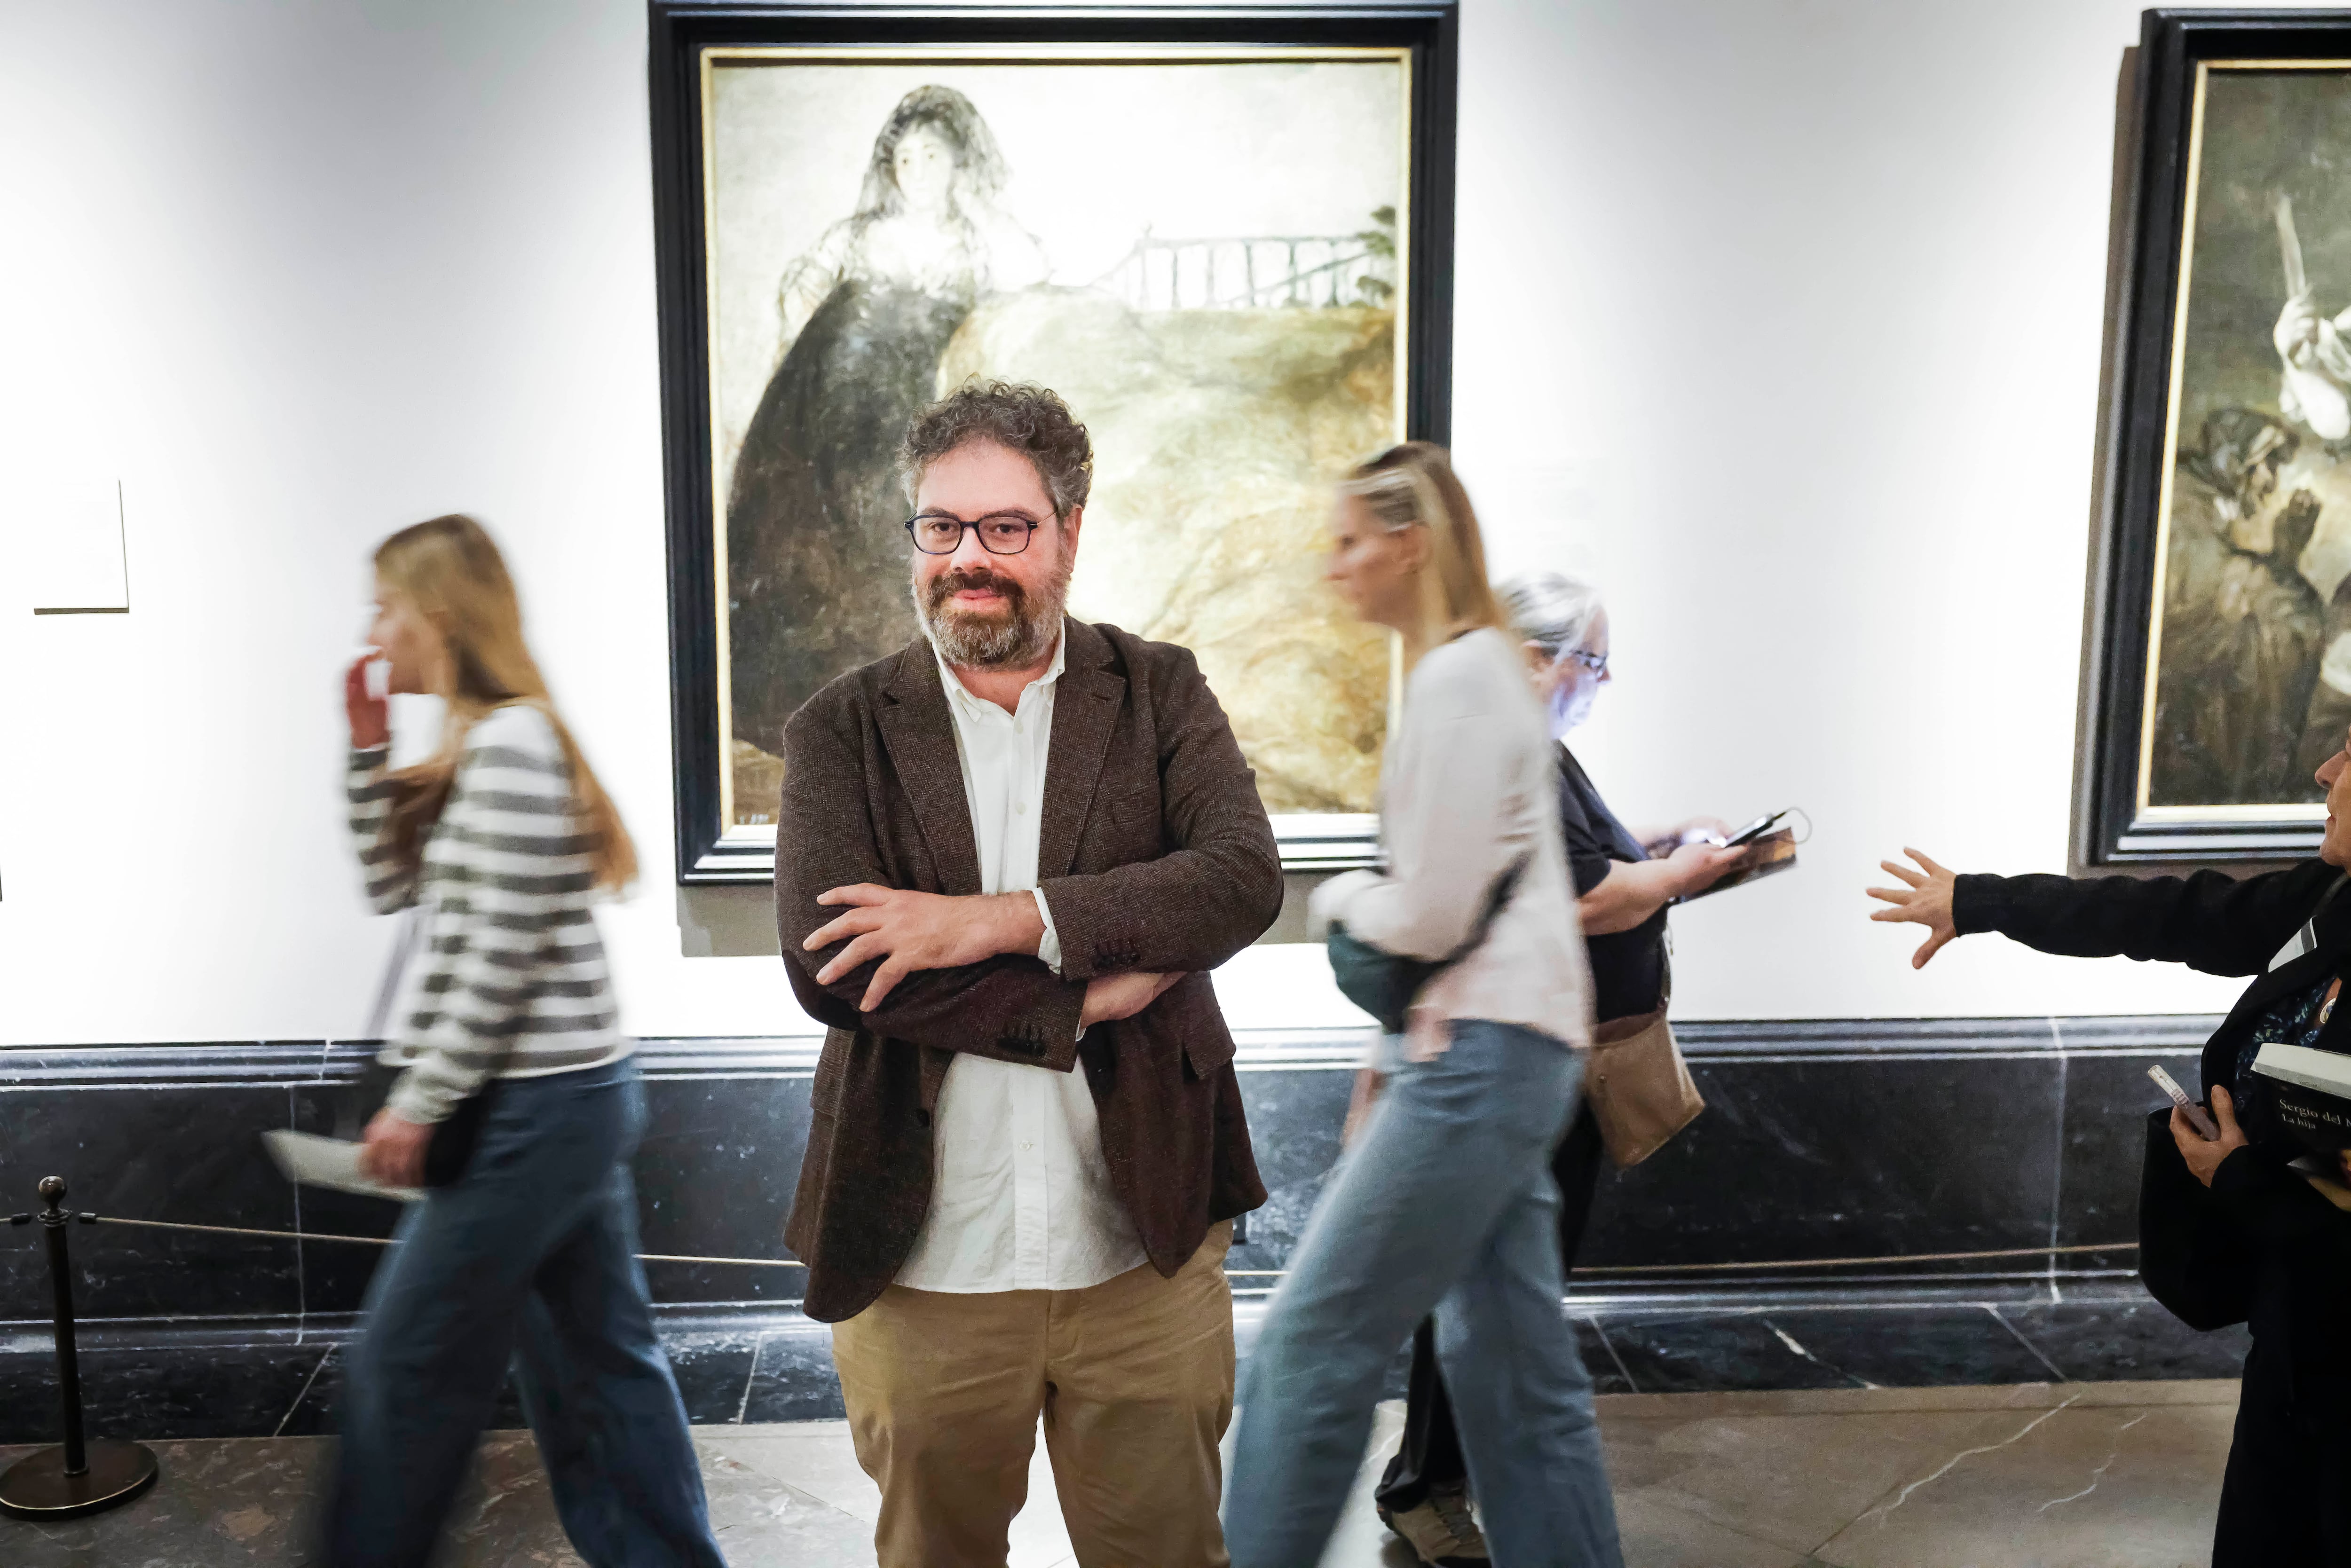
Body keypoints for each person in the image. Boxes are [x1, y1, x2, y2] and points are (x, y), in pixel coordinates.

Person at [772, 380, 1283, 1568]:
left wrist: (990, 923)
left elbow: (1235, 880)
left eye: (1006, 528)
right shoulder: (838, 731)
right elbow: (834, 970)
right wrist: (1076, 999)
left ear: (1069, 529)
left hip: (1141, 1247)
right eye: (941, 528)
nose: (969, 561)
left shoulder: (1158, 691)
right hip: (923, 1258)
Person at [1223, 445, 1624, 1568]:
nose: (1335, 564)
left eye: (1350, 539)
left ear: (1409, 543)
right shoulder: (1485, 673)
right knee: (1515, 1379)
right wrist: (1389, 1058)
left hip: (1479, 1062)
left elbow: (1435, 914)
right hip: (1504, 1051)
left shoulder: (1458, 681)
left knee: (1309, 1344)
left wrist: (1337, 898)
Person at [330, 516, 726, 1568]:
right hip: (565, 1096)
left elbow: (498, 958)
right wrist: (367, 750)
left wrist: (422, 1100)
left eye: (387, 606)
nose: (373, 628)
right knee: (599, 1368)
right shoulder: (477, 746)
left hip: (536, 1106)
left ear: (441, 616)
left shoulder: (509, 745)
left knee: (402, 1366)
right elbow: (387, 888)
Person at [1868, 731, 2351, 1568]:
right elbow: (2170, 913)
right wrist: (1984, 903)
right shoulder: (2335, 897)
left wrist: (2237, 1178)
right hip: (2300, 1323)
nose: (2326, 773)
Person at [1367, 570, 1744, 1567]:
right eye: (1594, 661)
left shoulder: (1534, 752)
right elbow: (1577, 900)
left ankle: (1455, 1478)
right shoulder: (1502, 753)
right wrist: (1678, 873)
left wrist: (1661, 854)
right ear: (1535, 659)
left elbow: (1591, 868)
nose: (1602, 681)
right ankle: (1429, 1488)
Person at [727, 85, 1049, 761]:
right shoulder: (862, 236)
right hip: (839, 411)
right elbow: (802, 294)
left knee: (911, 537)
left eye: (932, 157)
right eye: (906, 159)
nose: (919, 171)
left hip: (921, 410)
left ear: (957, 165)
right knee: (829, 545)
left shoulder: (974, 240)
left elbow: (1030, 282)